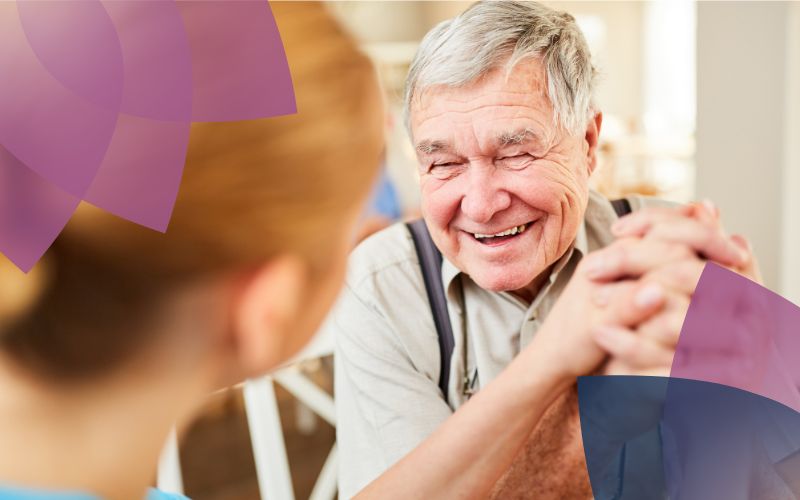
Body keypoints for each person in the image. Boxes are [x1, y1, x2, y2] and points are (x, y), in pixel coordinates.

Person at [333, 1, 761, 498]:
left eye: (515, 154)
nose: (481, 204)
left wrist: (751, 368)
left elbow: (764, 469)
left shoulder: (667, 247)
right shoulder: (381, 285)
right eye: (444, 164)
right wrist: (559, 361)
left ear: (586, 142)